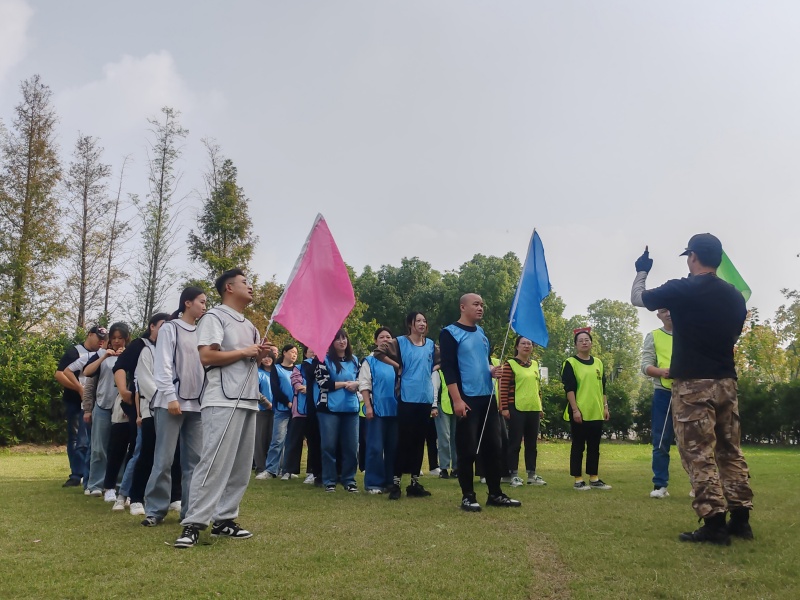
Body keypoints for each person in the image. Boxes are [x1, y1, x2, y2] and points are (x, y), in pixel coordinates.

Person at [631, 234, 754, 544]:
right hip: (726, 382)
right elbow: (733, 335)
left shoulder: (683, 288)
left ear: (693, 256)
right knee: (730, 451)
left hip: (692, 385)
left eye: (688, 256)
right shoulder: (736, 297)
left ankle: (714, 524)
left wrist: (642, 270)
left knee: (698, 454)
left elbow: (638, 298)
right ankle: (741, 520)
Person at [175, 269, 270, 548]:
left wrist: (261, 354)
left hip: (248, 399)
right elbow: (206, 356)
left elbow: (246, 359)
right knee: (213, 462)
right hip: (222, 399)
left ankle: (224, 520)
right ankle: (193, 523)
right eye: (245, 283)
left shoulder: (250, 325)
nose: (250, 287)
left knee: (240, 467)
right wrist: (244, 352)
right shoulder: (214, 317)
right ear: (229, 287)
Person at [439, 293, 521, 512]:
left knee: (494, 447)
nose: (480, 308)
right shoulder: (450, 333)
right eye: (475, 304)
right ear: (462, 307)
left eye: (482, 304)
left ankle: (495, 493)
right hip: (467, 399)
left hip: (488, 398)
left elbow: (481, 363)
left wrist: (492, 371)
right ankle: (468, 496)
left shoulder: (482, 334)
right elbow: (449, 368)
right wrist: (457, 399)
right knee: (467, 449)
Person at [141, 287, 206, 528]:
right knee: (164, 459)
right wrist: (170, 396)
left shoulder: (203, 331)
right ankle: (155, 510)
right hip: (170, 403)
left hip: (197, 404)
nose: (204, 305)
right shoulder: (170, 327)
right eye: (201, 301)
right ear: (187, 303)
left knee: (195, 462)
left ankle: (191, 511)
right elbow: (163, 364)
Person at [110, 312, 171, 511]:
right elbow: (120, 367)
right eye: (162, 325)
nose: (166, 329)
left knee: (159, 452)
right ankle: (125, 494)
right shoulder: (140, 345)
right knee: (139, 450)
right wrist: (123, 391)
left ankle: (157, 495)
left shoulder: (169, 346)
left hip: (164, 406)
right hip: (141, 405)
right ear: (152, 326)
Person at [374, 312, 438, 500]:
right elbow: (379, 352)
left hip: (425, 397)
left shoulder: (431, 345)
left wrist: (433, 368)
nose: (422, 324)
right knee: (404, 441)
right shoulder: (400, 342)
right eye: (418, 320)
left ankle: (414, 483)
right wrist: (397, 366)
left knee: (419, 441)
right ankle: (395, 483)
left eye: (424, 320)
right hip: (407, 397)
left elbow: (443, 360)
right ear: (410, 323)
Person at [127, 313, 170, 516]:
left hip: (173, 410)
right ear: (152, 326)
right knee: (147, 453)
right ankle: (135, 498)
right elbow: (145, 382)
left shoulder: (173, 351)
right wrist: (167, 400)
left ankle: (174, 497)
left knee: (173, 456)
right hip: (152, 410)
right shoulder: (146, 351)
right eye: (163, 325)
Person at [82, 322, 130, 499]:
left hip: (121, 407)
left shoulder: (130, 355)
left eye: (120, 338)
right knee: (98, 448)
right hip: (102, 405)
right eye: (114, 338)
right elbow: (87, 373)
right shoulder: (101, 354)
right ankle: (95, 483)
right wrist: (104, 357)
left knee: (120, 448)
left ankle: (117, 483)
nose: (117, 342)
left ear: (126, 339)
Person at [54, 325, 105, 488]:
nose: (101, 341)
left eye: (104, 339)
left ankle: (89, 473)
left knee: (91, 439)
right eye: (98, 337)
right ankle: (76, 474)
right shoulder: (75, 352)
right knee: (76, 438)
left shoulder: (102, 354)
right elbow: (60, 374)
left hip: (94, 401)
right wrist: (78, 388)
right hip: (75, 401)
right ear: (90, 335)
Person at [561, 328, 611, 491]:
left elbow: (602, 387)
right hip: (579, 412)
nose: (584, 342)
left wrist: (605, 406)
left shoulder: (598, 363)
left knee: (594, 447)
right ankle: (578, 479)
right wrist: (575, 410)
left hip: (596, 411)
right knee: (578, 446)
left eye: (587, 340)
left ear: (591, 343)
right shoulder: (570, 363)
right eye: (581, 340)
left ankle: (594, 478)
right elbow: (569, 389)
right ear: (576, 344)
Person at [314, 329, 361, 494]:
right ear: (331, 342)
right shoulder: (322, 359)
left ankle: (349, 480)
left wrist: (356, 384)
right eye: (338, 339)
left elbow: (363, 382)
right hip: (328, 410)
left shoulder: (355, 360)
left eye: (344, 338)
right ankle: (329, 481)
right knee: (328, 446)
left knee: (351, 447)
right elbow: (324, 383)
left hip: (351, 409)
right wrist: (346, 384)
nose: (342, 342)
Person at [641, 308, 679, 499]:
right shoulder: (653, 336)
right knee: (661, 440)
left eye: (672, 309)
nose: (669, 313)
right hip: (664, 394)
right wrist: (662, 372)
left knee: (694, 442)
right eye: (664, 310)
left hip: (690, 393)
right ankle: (660, 485)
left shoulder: (691, 333)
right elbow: (645, 366)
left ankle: (699, 484)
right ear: (658, 315)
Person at [500, 336, 546, 487]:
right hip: (516, 408)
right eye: (523, 343)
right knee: (515, 443)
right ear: (517, 346)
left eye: (529, 344)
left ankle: (532, 475)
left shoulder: (535, 365)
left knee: (532, 444)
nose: (527, 346)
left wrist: (540, 406)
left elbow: (537, 388)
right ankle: (512, 474)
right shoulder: (510, 364)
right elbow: (503, 387)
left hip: (533, 408)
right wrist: (504, 408)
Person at [358, 327, 400, 494]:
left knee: (393, 447)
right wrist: (368, 406)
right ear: (375, 341)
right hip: (376, 410)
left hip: (396, 410)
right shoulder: (369, 360)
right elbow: (364, 385)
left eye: (389, 337)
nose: (385, 339)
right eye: (381, 337)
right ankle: (374, 483)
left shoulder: (397, 361)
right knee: (375, 447)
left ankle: (390, 481)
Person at [265, 344, 297, 478]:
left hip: (296, 410)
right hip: (282, 409)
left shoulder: (298, 369)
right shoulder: (276, 369)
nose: (294, 355)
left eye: (296, 353)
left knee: (292, 441)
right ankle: (271, 469)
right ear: (284, 353)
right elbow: (276, 390)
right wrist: (288, 402)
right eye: (292, 352)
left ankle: (287, 470)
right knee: (277, 440)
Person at [254, 350, 276, 480]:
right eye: (264, 357)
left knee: (275, 440)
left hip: (278, 410)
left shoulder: (277, 373)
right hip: (262, 410)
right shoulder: (258, 373)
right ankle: (260, 468)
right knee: (260, 440)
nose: (267, 359)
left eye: (269, 356)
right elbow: (255, 391)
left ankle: (274, 467)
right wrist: (267, 403)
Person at [432, 370, 457, 479]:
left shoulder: (457, 369)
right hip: (442, 406)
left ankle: (456, 468)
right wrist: (434, 406)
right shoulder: (438, 372)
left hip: (455, 406)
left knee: (456, 438)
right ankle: (444, 467)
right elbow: (434, 389)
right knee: (444, 438)